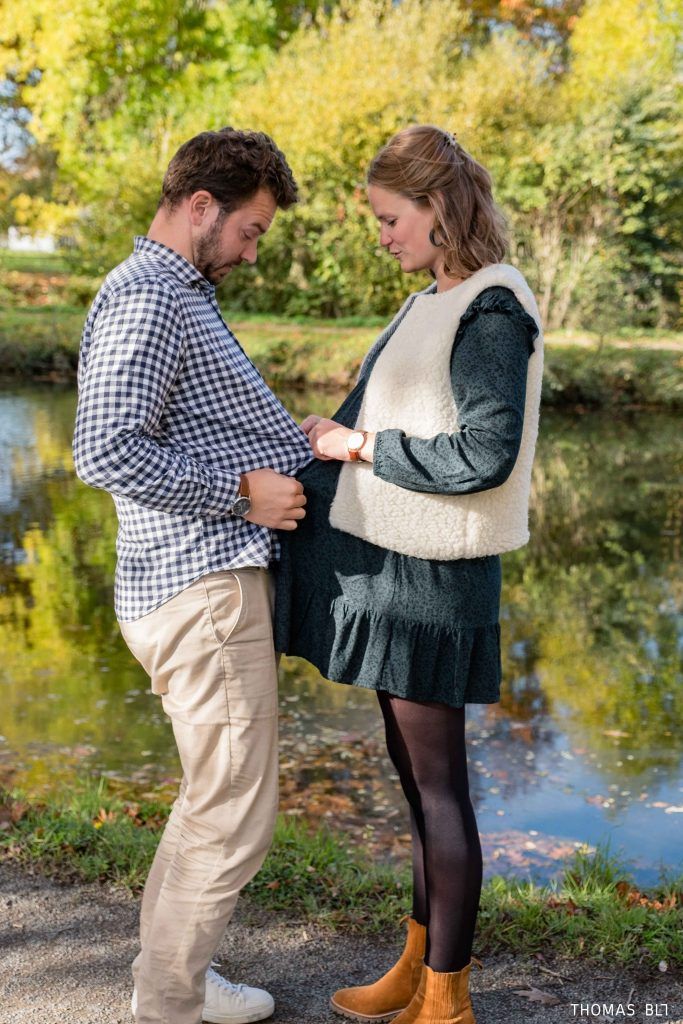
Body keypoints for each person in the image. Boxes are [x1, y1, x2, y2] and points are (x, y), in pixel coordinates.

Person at [274, 124, 543, 1024]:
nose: (382, 236)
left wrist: (359, 446)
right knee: (415, 789)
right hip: (395, 571)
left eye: (390, 219)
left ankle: (447, 999)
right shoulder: (428, 301)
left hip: (435, 583)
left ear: (437, 208)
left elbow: (485, 453)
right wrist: (316, 445)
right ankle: (417, 967)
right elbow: (361, 424)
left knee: (440, 793)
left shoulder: (491, 310)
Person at [72, 127, 312, 1024]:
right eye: (250, 231)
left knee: (212, 800)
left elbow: (189, 424)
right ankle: (167, 1005)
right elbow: (104, 448)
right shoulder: (151, 297)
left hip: (193, 583)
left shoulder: (174, 291)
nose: (251, 252)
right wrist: (242, 494)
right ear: (201, 206)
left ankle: (175, 977)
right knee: (232, 813)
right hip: (201, 589)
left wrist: (292, 442)